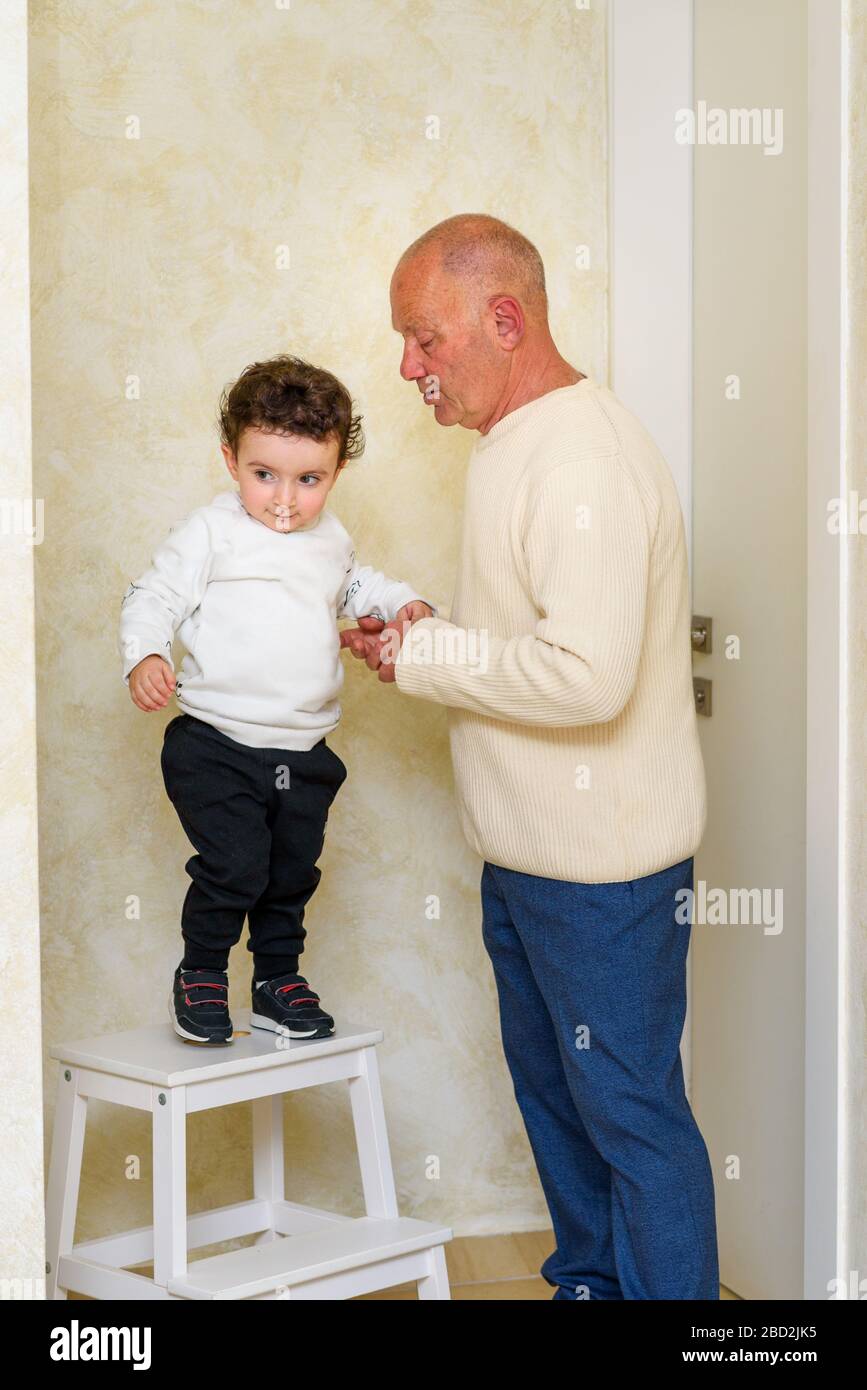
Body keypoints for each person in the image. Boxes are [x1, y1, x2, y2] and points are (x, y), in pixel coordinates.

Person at [340, 213, 719, 1300]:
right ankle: (591, 1290)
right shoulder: (523, 444)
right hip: (532, 863)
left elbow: (587, 675)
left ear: (504, 319)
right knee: (563, 1109)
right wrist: (428, 633)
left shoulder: (581, 458)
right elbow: (536, 636)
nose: (408, 366)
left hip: (604, 876)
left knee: (632, 1121)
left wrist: (430, 655)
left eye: (425, 339)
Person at [118, 354, 435, 1046]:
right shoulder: (212, 531)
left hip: (302, 751)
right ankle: (201, 970)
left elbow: (357, 587)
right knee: (236, 866)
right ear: (231, 460)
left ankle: (275, 980)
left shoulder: (330, 540)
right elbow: (154, 596)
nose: (286, 499)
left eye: (308, 479)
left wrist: (403, 601)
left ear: (334, 474)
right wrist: (146, 654)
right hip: (216, 745)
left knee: (289, 873)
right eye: (265, 475)